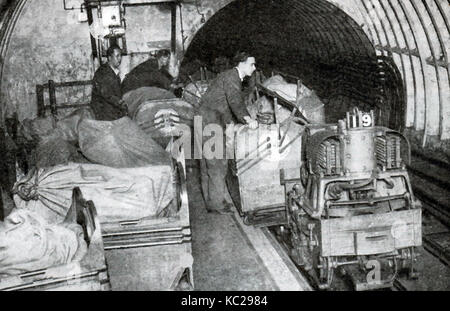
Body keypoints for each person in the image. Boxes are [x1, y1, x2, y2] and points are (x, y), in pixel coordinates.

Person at [195, 51, 258, 214]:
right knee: (217, 162)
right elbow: (235, 101)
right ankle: (217, 204)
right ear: (242, 64)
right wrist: (248, 120)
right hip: (210, 122)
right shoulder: (232, 77)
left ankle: (211, 201)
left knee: (207, 163)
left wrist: (230, 122)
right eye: (252, 64)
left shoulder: (228, 76)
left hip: (204, 119)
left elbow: (224, 103)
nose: (254, 67)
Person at [90, 45, 126, 121]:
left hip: (111, 107)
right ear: (109, 58)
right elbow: (107, 94)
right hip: (103, 111)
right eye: (117, 56)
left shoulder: (112, 71)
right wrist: (121, 103)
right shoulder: (103, 72)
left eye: (120, 56)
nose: (120, 59)